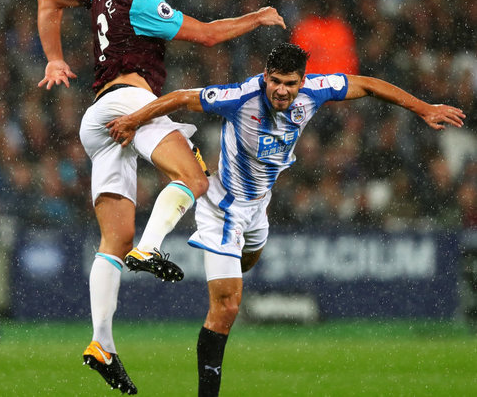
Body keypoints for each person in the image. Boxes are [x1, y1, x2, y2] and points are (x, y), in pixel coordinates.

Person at [106, 42, 465, 396]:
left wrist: (422, 108)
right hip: (223, 209)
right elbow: (184, 96)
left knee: (247, 264)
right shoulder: (241, 97)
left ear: (302, 81)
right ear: (265, 77)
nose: (281, 90)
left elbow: (367, 84)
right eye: (275, 81)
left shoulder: (316, 91)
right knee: (228, 307)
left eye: (290, 83)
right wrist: (134, 120)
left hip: (259, 207)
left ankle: (228, 271)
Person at [36, 0, 286, 395]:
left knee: (113, 239)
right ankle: (150, 249)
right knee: (195, 179)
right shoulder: (143, 3)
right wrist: (257, 18)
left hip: (99, 119)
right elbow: (210, 34)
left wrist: (54, 56)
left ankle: (101, 343)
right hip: (132, 104)